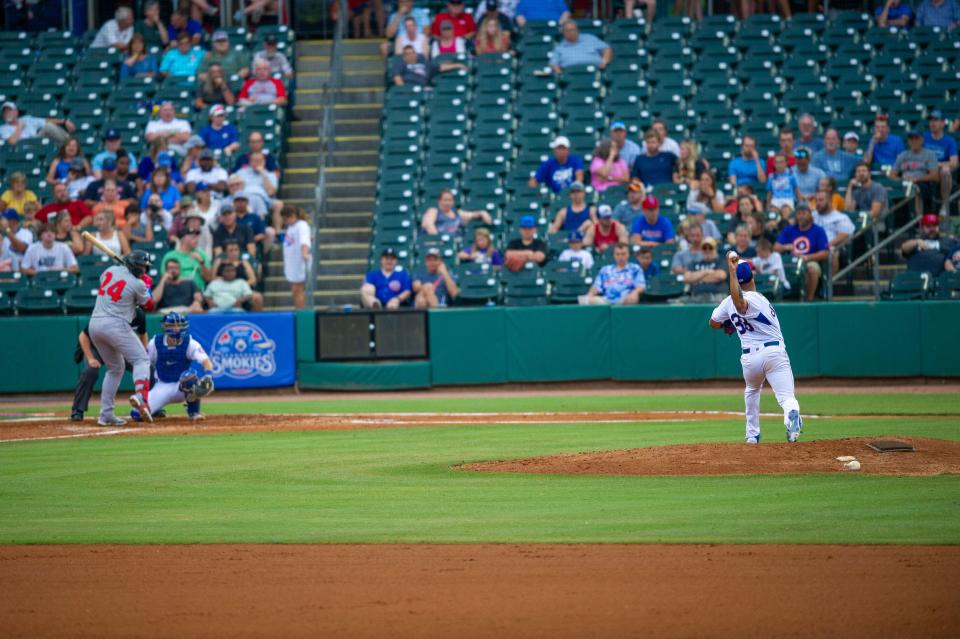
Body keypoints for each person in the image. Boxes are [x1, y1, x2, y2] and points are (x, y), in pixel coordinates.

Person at [709, 256, 803, 444]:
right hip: (774, 353)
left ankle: (752, 435)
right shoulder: (756, 298)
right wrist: (734, 274)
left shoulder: (728, 302)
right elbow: (740, 303)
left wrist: (729, 322)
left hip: (750, 358)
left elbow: (713, 323)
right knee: (786, 398)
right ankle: (791, 415)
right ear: (752, 277)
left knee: (752, 390)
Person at [86, 250, 155, 426]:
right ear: (132, 264)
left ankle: (106, 414)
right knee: (141, 359)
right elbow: (150, 306)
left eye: (145, 267)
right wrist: (147, 287)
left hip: (95, 324)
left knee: (115, 368)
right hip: (115, 324)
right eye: (140, 266)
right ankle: (141, 397)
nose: (143, 270)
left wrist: (141, 284)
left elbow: (114, 284)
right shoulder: (137, 284)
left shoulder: (109, 270)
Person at [70, 309, 149, 422]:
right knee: (90, 371)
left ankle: (151, 405)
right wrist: (90, 358)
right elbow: (83, 336)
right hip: (97, 348)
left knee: (147, 367)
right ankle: (78, 410)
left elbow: (143, 334)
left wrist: (143, 352)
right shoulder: (111, 311)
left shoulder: (139, 314)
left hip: (120, 349)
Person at [134, 312, 214, 422]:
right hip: (162, 386)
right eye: (173, 325)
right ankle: (155, 410)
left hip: (181, 387)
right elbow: (145, 363)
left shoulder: (190, 342)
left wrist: (208, 375)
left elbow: (206, 361)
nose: (177, 328)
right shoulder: (155, 343)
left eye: (179, 325)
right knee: (137, 415)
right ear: (165, 327)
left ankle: (194, 412)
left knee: (191, 377)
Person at [774, 203, 830, 302]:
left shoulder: (818, 230)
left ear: (810, 215)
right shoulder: (789, 229)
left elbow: (825, 253)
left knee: (811, 269)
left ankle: (808, 299)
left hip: (810, 260)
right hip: (790, 261)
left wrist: (807, 257)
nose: (801, 216)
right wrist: (786, 246)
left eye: (804, 213)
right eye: (799, 214)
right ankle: (781, 298)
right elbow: (776, 247)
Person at [890, 131, 941, 215]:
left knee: (914, 188)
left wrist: (916, 179)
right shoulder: (902, 155)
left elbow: (935, 176)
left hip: (923, 185)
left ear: (922, 140)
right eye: (911, 139)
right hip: (903, 183)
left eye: (916, 138)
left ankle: (917, 220)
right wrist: (902, 179)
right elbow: (892, 175)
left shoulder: (929, 154)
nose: (913, 141)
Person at [230, 151, 283, 227]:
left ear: (264, 162)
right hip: (244, 198)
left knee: (279, 204)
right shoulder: (241, 173)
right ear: (250, 162)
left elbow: (271, 193)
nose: (257, 163)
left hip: (264, 200)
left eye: (259, 161)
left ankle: (277, 233)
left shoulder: (270, 175)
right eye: (254, 160)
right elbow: (232, 186)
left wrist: (263, 174)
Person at [923, 110, 959, 217]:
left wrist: (937, 164)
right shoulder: (924, 137)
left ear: (943, 123)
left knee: (946, 170)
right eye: (931, 120)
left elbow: (954, 162)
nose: (932, 123)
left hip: (939, 172)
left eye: (936, 120)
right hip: (925, 171)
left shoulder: (949, 141)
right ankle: (919, 218)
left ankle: (944, 205)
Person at [0, 101, 73, 146]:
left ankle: (71, 144)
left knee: (49, 127)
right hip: (22, 148)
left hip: (37, 142)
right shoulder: (3, 128)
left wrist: (64, 121)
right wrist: (19, 127)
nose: (7, 113)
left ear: (16, 112)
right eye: (5, 112)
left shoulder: (26, 119)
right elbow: (11, 143)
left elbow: (45, 121)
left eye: (10, 111)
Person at [282, 205, 312, 309]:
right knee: (294, 290)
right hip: (292, 262)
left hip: (299, 261)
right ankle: (297, 309)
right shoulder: (291, 227)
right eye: (285, 219)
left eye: (288, 218)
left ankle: (301, 312)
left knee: (298, 289)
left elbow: (305, 241)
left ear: (294, 216)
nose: (287, 221)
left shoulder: (302, 225)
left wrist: (304, 253)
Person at [766, 154, 801, 219]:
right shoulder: (771, 176)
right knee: (773, 214)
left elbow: (797, 189)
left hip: (787, 199)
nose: (779, 165)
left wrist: (801, 203)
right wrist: (768, 205)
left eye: (781, 162)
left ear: (786, 163)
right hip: (775, 200)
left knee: (785, 211)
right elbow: (769, 192)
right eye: (776, 162)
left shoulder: (791, 175)